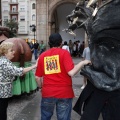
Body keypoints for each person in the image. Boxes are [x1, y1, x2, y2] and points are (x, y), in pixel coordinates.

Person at [35, 33, 90, 120]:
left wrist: (41, 87)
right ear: (61, 43)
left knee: (45, 117)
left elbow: (37, 77)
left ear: (49, 43)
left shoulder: (42, 56)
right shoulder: (64, 53)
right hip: (64, 93)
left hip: (48, 92)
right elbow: (71, 72)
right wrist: (82, 63)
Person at [0, 41, 37, 120]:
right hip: (2, 92)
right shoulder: (4, 62)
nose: (13, 52)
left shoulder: (4, 61)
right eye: (11, 50)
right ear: (5, 52)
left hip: (3, 91)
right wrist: (34, 66)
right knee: (2, 113)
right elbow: (19, 71)